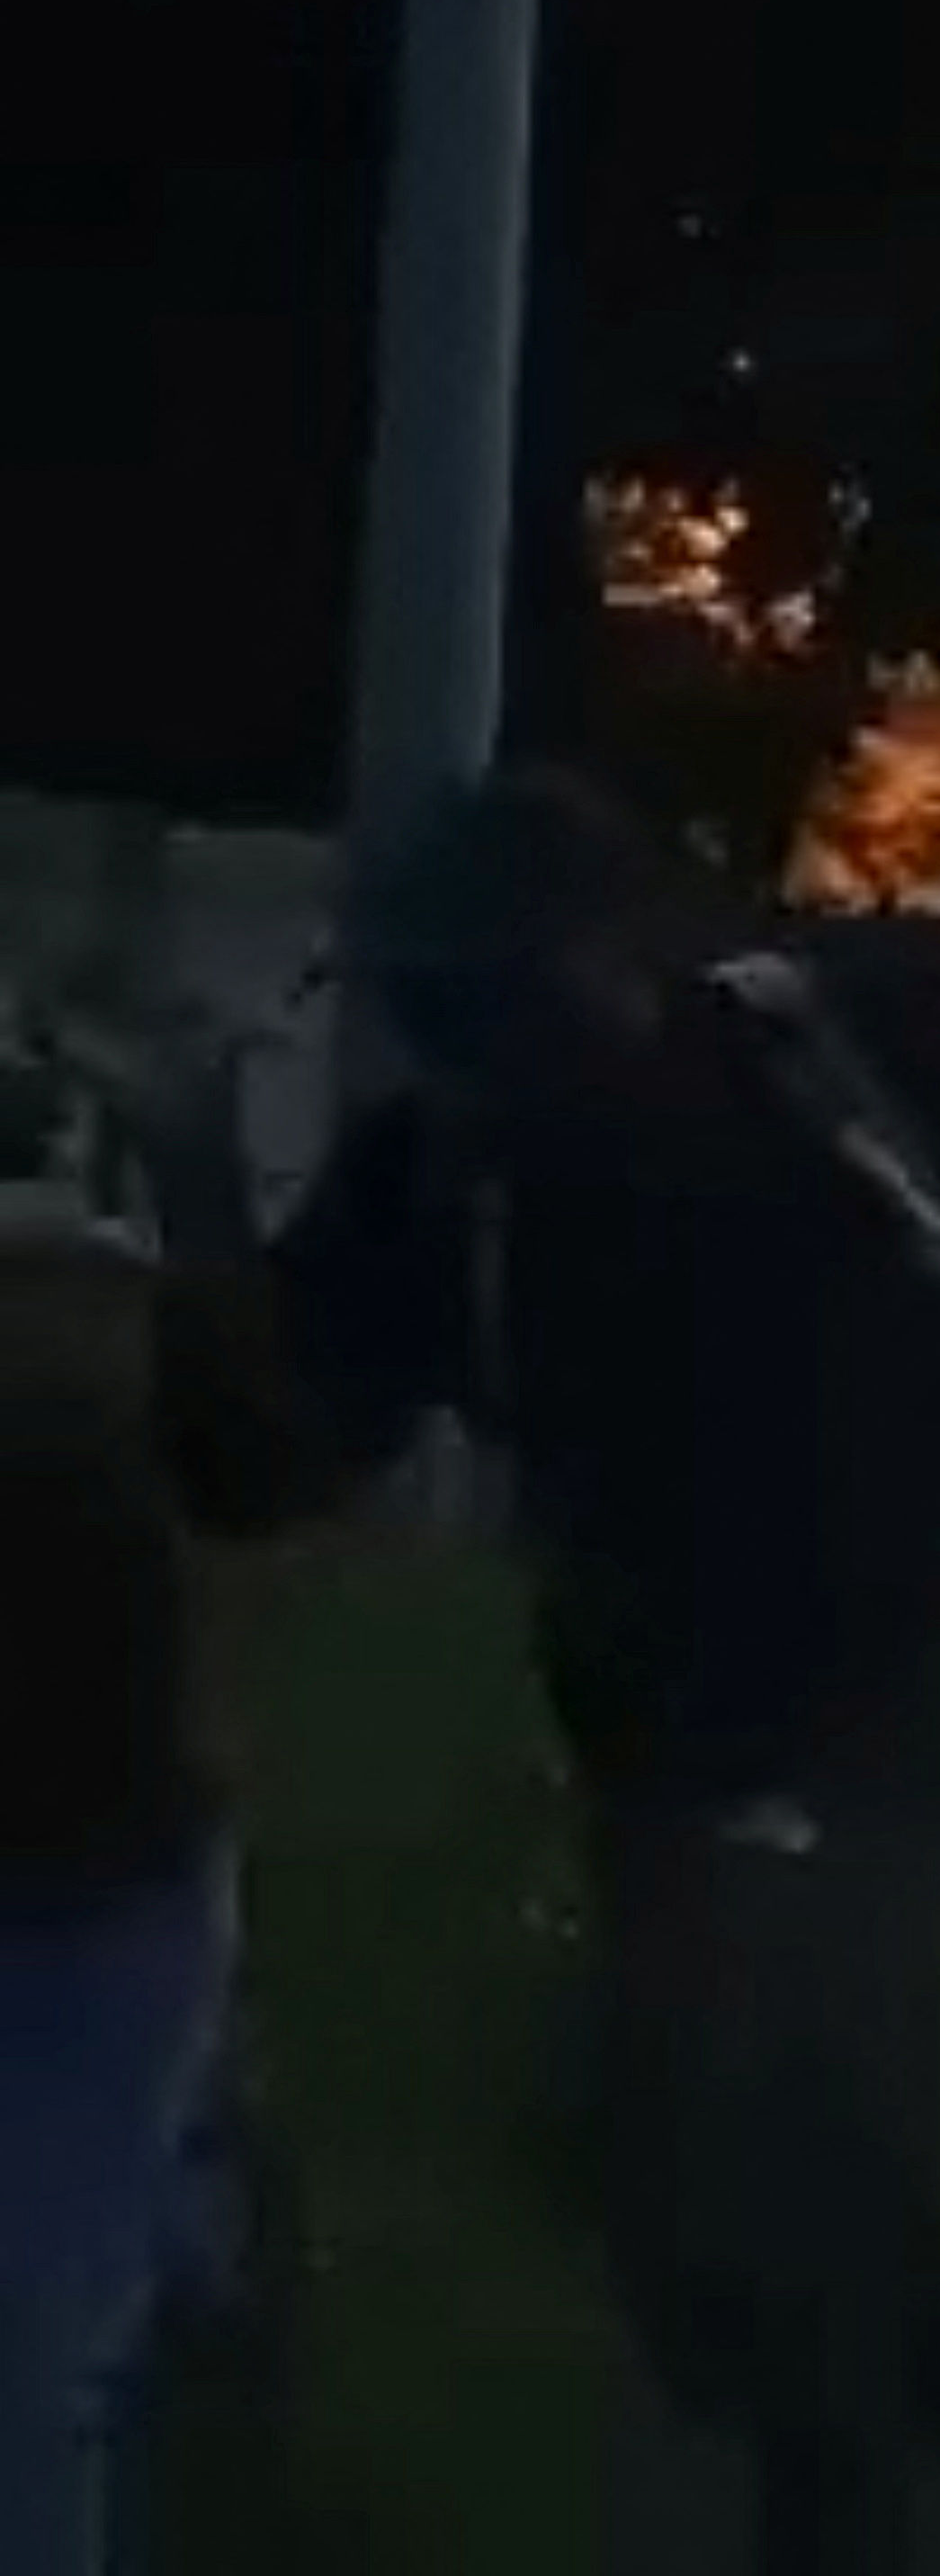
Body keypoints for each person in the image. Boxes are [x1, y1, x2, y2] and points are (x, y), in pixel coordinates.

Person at [246, 768, 940, 2576]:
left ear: (599, 955)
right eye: (432, 1003)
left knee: (760, 2167)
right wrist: (196, 1200)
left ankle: (883, 2509)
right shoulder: (444, 1184)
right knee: (740, 2160)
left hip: (898, 1703)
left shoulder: (808, 1065)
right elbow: (264, 1457)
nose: (467, 1041)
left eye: (487, 993)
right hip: (672, 1743)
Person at [0, 1012, 355, 2576]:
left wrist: (199, 1192)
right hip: (110, 1885)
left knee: (30, 2361)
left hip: (94, 1901)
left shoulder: (99, 1311)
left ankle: (196, 2252)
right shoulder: (104, 1310)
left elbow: (272, 1469)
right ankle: (198, 2237)